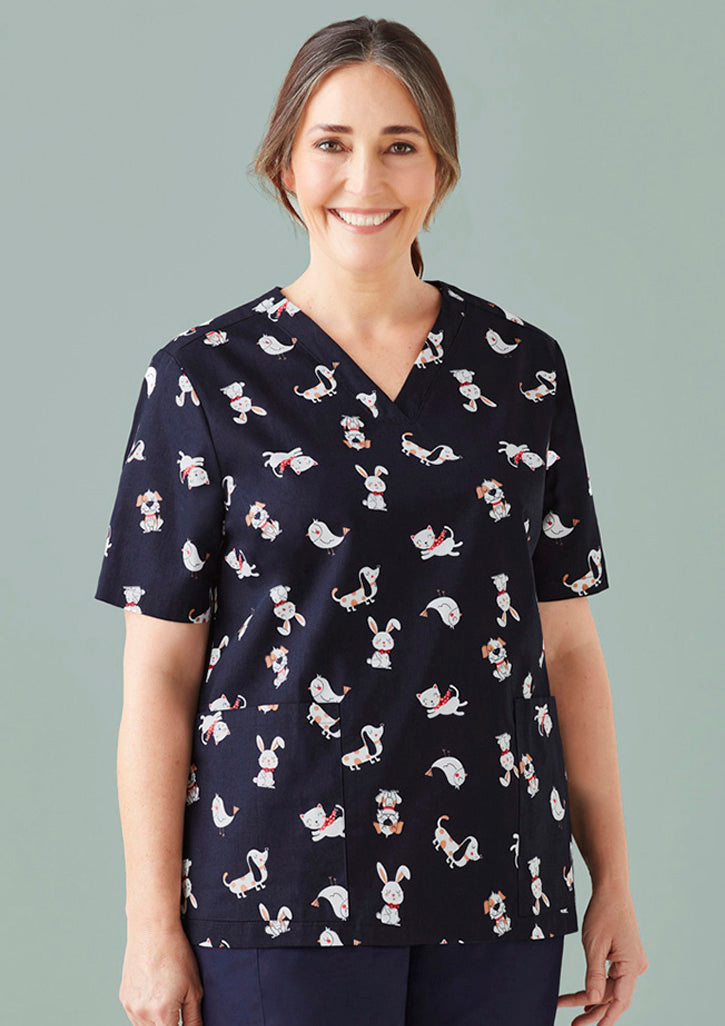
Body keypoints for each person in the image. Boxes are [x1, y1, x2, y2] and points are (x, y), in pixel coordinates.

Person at [94, 15, 648, 1026]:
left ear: (438, 168)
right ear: (285, 166)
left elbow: (565, 646)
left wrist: (609, 877)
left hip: (499, 878)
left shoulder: (521, 371)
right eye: (331, 144)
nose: (365, 179)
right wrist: (148, 926)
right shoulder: (201, 380)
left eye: (399, 145)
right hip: (277, 885)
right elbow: (160, 676)